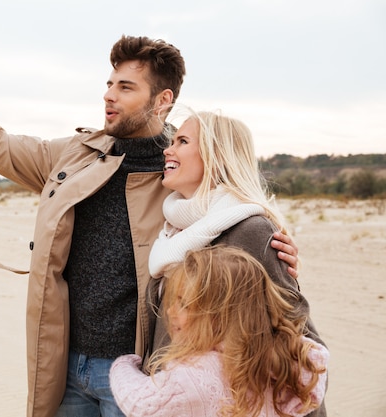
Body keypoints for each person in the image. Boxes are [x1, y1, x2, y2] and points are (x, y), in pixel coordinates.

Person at [0, 2, 300, 416]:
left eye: (126, 87)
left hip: (140, 374)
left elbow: (240, 225)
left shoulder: (185, 175)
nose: (108, 95)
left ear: (162, 100)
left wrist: (282, 257)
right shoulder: (74, 155)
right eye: (110, 83)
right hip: (65, 366)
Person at [140, 109, 328, 417]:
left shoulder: (250, 230)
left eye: (182, 141)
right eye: (171, 141)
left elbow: (299, 341)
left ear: (217, 157)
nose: (168, 150)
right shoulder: (172, 231)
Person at [109, 245, 329, 417]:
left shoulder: (190, 377)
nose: (170, 311)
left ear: (219, 317)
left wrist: (124, 365)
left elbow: (139, 404)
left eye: (184, 304)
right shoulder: (283, 362)